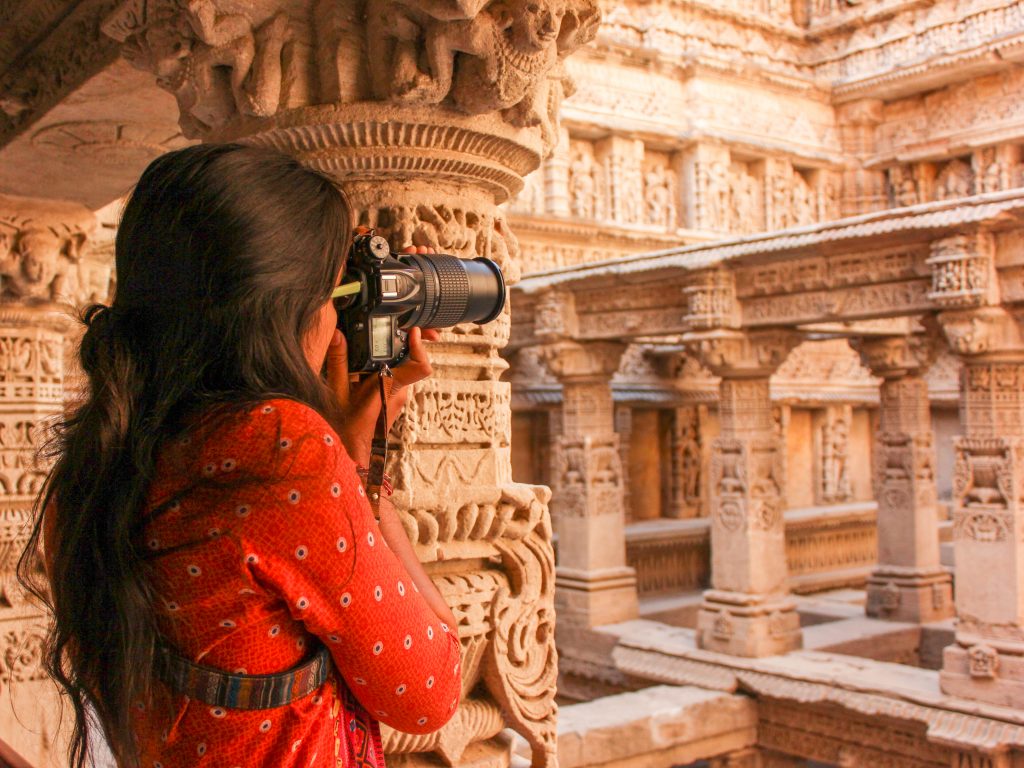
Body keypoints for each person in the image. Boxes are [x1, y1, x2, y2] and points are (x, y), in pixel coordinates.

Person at [18, 143, 462, 768]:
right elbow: (431, 690)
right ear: (286, 311)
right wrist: (356, 470)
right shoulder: (281, 447)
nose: (339, 322)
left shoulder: (102, 447)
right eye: (334, 295)